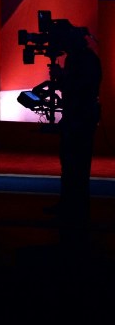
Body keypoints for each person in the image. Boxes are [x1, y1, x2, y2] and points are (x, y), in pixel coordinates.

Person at [48, 28, 102, 226]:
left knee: (75, 165)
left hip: (80, 118)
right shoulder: (82, 58)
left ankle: (74, 209)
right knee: (71, 166)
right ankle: (70, 206)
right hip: (78, 116)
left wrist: (60, 77)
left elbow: (78, 88)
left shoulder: (83, 60)